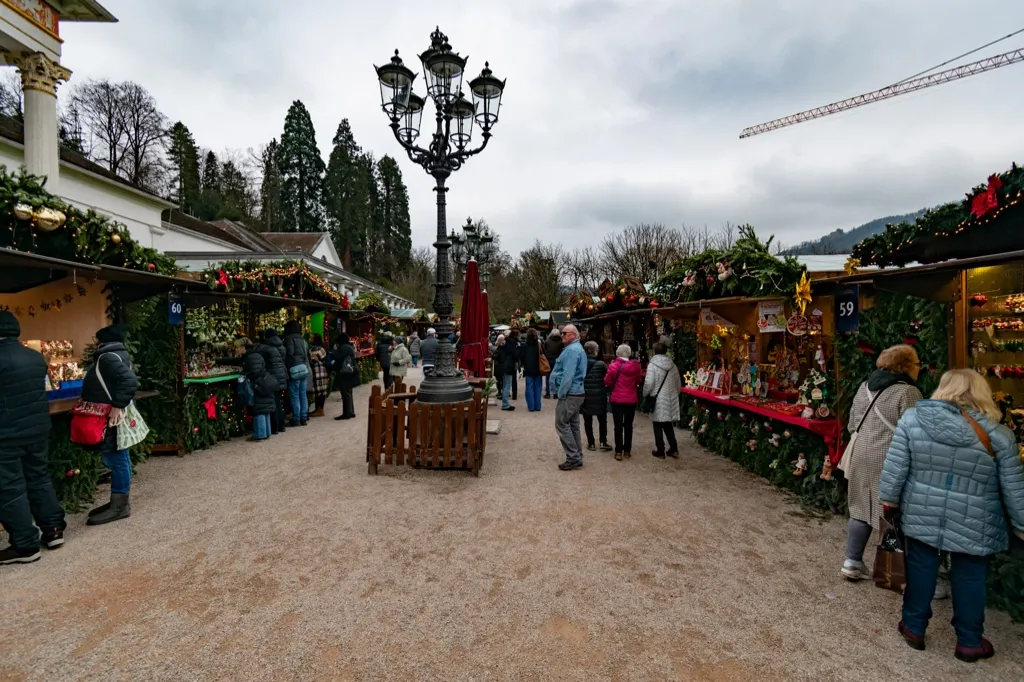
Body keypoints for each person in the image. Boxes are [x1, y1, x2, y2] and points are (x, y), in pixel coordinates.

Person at [880, 369, 1024, 662]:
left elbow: (895, 468)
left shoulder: (913, 420)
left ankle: (913, 627)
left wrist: (889, 500)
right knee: (970, 576)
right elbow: (1014, 488)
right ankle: (969, 641)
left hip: (923, 509)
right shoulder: (1000, 435)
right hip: (976, 517)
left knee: (921, 567)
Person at [841, 344, 923, 582]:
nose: (919, 368)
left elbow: (852, 424)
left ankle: (852, 562)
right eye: (916, 364)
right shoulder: (907, 392)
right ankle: (890, 572)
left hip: (860, 454)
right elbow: (914, 432)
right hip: (889, 457)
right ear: (905, 366)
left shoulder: (864, 387)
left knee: (859, 506)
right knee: (890, 510)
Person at [0, 311, 66, 564]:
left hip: (6, 433)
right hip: (37, 428)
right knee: (39, 477)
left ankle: (25, 544)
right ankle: (53, 530)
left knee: (10, 486)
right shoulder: (35, 357)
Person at [81, 324, 139, 526]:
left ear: (102, 341)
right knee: (119, 455)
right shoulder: (118, 355)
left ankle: (120, 506)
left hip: (108, 416)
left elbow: (129, 380)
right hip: (112, 415)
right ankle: (117, 501)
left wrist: (117, 405)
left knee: (117, 457)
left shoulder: (107, 357)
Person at [550, 325, 588, 471]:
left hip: (570, 393)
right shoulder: (577, 348)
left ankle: (573, 457)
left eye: (565, 333)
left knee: (561, 423)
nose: (562, 335)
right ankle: (577, 455)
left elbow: (568, 374)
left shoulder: (572, 350)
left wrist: (561, 393)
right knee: (573, 425)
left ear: (573, 335)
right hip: (576, 392)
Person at [643, 342, 682, 458]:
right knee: (667, 423)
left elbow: (649, 383)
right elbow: (678, 383)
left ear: (654, 351)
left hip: (658, 397)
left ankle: (660, 450)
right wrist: (675, 394)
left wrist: (645, 393)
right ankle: (674, 449)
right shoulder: (673, 365)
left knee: (657, 424)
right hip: (670, 397)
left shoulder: (652, 365)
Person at [605, 344, 643, 461]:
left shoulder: (613, 366)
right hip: (631, 399)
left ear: (617, 353)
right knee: (628, 425)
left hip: (617, 399)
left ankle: (618, 451)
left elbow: (607, 381)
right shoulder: (636, 366)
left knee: (618, 426)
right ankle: (627, 450)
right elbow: (638, 380)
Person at [582, 341, 611, 452]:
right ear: (595, 351)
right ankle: (603, 441)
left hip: (586, 394)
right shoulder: (601, 364)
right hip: (600, 395)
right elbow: (606, 378)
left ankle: (591, 443)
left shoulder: (582, 363)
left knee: (587, 420)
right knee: (602, 420)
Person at [244, 344, 278, 442]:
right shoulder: (260, 356)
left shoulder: (250, 358)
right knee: (266, 410)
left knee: (259, 410)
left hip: (258, 385)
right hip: (264, 383)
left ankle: (260, 434)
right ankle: (267, 432)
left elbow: (253, 372)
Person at [282, 320, 311, 426]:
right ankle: (304, 417)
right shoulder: (303, 340)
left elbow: (289, 354)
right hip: (304, 368)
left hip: (294, 369)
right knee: (303, 394)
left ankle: (296, 418)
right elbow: (307, 355)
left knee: (294, 395)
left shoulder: (288, 339)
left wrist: (288, 367)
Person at [260, 329, 288, 434]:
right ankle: (281, 425)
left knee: (274, 402)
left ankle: (275, 427)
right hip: (281, 375)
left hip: (273, 376)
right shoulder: (282, 346)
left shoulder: (267, 347)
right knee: (278, 402)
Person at [332, 333, 360, 420]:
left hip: (345, 373)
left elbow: (338, 358)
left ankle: (346, 413)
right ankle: (351, 411)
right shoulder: (349, 347)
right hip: (351, 372)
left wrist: (334, 351)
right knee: (349, 392)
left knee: (345, 392)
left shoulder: (343, 348)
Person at [521, 328, 544, 412]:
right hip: (538, 368)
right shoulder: (539, 344)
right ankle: (538, 406)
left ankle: (531, 406)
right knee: (538, 388)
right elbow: (543, 354)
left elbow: (522, 357)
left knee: (529, 388)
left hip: (528, 369)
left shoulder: (525, 345)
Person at [308, 334, 329, 418]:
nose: (310, 339)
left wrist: (311, 357)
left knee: (320, 391)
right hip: (317, 372)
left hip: (319, 372)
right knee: (318, 391)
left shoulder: (320, 349)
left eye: (311, 337)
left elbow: (314, 359)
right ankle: (318, 409)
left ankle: (320, 409)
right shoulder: (314, 348)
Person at [543, 328, 563, 399]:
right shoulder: (561, 342)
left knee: (548, 377)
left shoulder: (547, 341)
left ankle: (548, 393)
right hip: (557, 360)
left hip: (548, 360)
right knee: (557, 377)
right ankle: (556, 393)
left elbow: (544, 351)